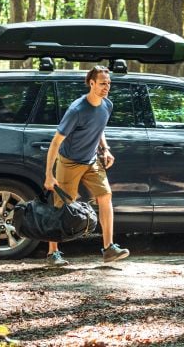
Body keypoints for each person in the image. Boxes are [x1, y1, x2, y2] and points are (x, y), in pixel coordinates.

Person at [43, 66, 129, 266]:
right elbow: (56, 142)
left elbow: (99, 128)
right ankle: (52, 253)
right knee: (61, 205)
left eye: (108, 83)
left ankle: (109, 248)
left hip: (91, 161)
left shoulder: (107, 105)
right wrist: (49, 174)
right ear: (92, 83)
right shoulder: (77, 110)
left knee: (105, 195)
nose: (106, 87)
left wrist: (105, 149)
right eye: (102, 83)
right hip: (69, 162)